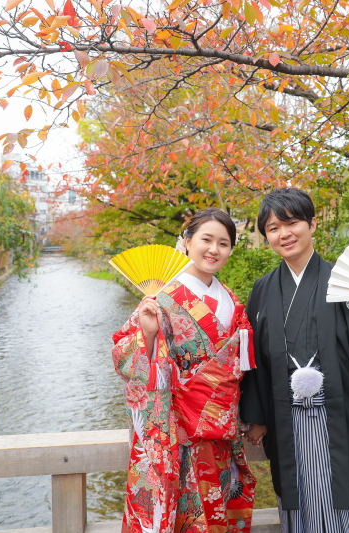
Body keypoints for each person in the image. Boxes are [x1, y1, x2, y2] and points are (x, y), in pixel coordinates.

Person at [239, 188, 349, 533]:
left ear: (312, 224)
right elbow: (253, 357)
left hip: (344, 415)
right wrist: (256, 416)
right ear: (266, 237)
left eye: (292, 223)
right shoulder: (262, 290)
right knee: (301, 499)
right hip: (286, 420)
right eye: (274, 228)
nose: (284, 234)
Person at [112, 208, 256, 533]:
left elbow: (241, 368)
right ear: (187, 241)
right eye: (206, 239)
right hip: (178, 428)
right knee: (181, 515)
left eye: (224, 243)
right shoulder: (162, 297)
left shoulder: (232, 302)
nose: (214, 249)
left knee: (215, 511)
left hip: (221, 428)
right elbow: (124, 357)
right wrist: (147, 333)